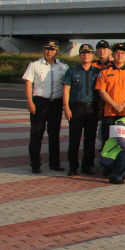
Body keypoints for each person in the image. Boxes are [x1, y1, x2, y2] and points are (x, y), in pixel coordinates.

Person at [23, 40, 69, 174]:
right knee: (36, 134)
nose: (50, 52)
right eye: (47, 49)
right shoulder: (35, 65)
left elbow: (67, 86)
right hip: (39, 102)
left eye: (53, 50)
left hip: (55, 103)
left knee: (54, 135)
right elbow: (28, 84)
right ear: (43, 51)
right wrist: (30, 102)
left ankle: (54, 163)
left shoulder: (63, 67)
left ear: (57, 51)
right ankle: (35, 164)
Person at [61, 43, 100, 175]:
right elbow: (66, 90)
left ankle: (87, 166)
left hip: (92, 109)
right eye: (83, 53)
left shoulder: (97, 72)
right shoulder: (72, 71)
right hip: (76, 107)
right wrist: (66, 107)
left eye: (88, 53)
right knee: (74, 139)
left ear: (92, 55)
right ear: (79, 55)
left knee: (90, 140)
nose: (86, 55)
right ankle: (73, 167)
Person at [96, 43, 125, 144]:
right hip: (109, 112)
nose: (120, 55)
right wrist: (114, 105)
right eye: (117, 53)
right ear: (112, 55)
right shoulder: (104, 72)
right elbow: (101, 91)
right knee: (108, 140)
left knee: (124, 142)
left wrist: (124, 104)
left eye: (122, 53)